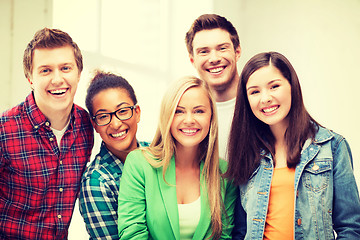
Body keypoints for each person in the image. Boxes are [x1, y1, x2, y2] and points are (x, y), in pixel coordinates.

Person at [226, 51, 360, 239]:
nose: (265, 98)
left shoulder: (332, 147)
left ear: (292, 87)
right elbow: (240, 232)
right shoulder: (246, 151)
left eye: (274, 86)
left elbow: (350, 228)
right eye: (255, 91)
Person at [0, 28, 94, 239]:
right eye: (45, 70)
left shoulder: (86, 126)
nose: (57, 79)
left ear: (79, 73)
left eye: (65, 68)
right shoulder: (4, 130)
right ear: (30, 78)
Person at [117, 76, 237, 239]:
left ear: (211, 117)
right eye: (179, 111)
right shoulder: (139, 164)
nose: (189, 120)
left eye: (199, 111)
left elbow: (224, 236)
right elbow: (132, 233)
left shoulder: (224, 173)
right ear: (167, 116)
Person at [79, 71, 149, 239]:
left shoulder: (158, 153)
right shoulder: (96, 181)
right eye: (103, 116)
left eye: (123, 111)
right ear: (95, 125)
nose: (116, 124)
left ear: (137, 112)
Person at [185, 14, 241, 160]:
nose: (214, 59)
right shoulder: (185, 115)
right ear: (193, 60)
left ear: (237, 52)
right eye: (204, 51)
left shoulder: (262, 104)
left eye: (222, 48)